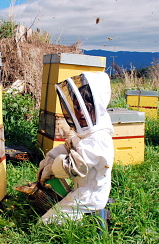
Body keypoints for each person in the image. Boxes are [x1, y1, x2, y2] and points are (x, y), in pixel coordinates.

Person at [37, 71, 115, 224]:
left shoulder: (98, 138)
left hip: (89, 197)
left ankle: (90, 219)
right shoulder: (88, 131)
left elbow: (73, 166)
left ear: (95, 106)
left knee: (45, 224)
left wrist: (49, 169)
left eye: (83, 107)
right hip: (82, 190)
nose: (78, 112)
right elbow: (70, 146)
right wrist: (50, 158)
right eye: (76, 107)